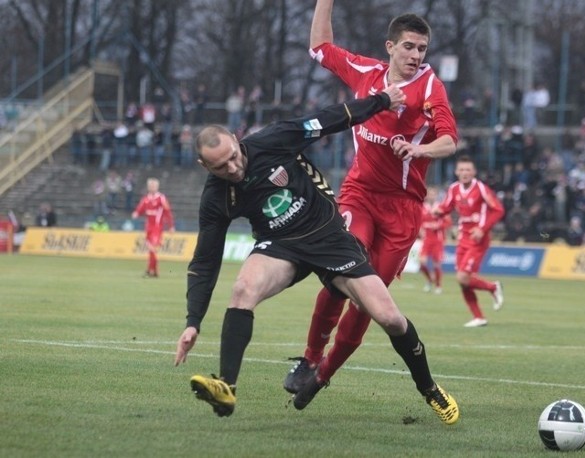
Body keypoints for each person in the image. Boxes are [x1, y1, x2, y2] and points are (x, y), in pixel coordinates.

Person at [173, 87, 459, 425]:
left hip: (329, 236)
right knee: (242, 290)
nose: (233, 168)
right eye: (221, 166)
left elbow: (329, 119)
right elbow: (205, 261)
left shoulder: (273, 140)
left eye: (235, 156)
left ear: (238, 140)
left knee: (390, 318)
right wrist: (193, 322)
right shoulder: (215, 199)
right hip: (280, 246)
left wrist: (381, 100)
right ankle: (226, 386)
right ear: (204, 165)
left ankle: (428, 388)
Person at [283, 0, 457, 402]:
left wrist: (420, 152)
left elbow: (449, 140)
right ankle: (309, 359)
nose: (416, 56)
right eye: (409, 47)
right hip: (359, 194)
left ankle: (322, 377)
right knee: (341, 271)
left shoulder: (430, 87)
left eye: (422, 49)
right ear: (390, 47)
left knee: (368, 303)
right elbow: (319, 47)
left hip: (403, 210)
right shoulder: (366, 72)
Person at [433, 155, 505, 327]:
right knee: (462, 280)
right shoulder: (454, 189)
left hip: (478, 238)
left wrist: (482, 229)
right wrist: (438, 211)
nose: (465, 172)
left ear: (474, 172)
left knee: (463, 277)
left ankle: (493, 287)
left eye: (468, 170)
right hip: (463, 237)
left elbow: (498, 210)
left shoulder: (480, 188)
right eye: (462, 169)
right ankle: (479, 317)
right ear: (457, 172)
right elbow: (447, 206)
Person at [131, 178, 175, 277]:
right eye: (150, 186)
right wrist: (136, 213)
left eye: (154, 186)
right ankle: (153, 271)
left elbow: (168, 212)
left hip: (157, 227)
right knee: (151, 249)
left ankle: (151, 270)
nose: (152, 187)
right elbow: (139, 209)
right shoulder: (146, 198)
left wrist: (171, 226)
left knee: (152, 248)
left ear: (157, 187)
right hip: (148, 228)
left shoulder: (161, 198)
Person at [418, 187, 452, 294]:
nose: (431, 196)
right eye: (430, 194)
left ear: (436, 195)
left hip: (438, 240)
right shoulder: (422, 207)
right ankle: (429, 280)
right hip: (427, 239)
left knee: (436, 264)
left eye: (433, 194)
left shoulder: (441, 208)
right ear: (427, 195)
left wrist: (438, 225)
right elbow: (418, 221)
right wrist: (420, 230)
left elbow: (448, 222)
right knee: (422, 262)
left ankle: (438, 285)